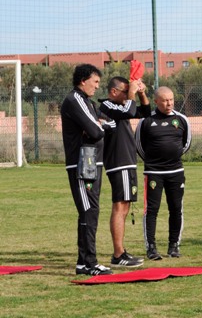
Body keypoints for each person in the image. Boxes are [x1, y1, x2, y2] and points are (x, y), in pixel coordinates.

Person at [61, 64, 112, 275]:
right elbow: (96, 130)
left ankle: (83, 263)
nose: (97, 86)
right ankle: (90, 263)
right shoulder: (75, 100)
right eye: (95, 82)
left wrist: (99, 125)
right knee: (88, 211)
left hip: (92, 163)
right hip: (82, 164)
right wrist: (98, 126)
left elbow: (105, 124)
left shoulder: (87, 102)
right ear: (83, 81)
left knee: (90, 211)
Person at [135, 86, 191, 260]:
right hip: (154, 172)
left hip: (176, 171)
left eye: (171, 100)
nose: (169, 103)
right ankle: (151, 248)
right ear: (156, 101)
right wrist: (153, 162)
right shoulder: (146, 120)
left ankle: (174, 246)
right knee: (151, 210)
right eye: (165, 100)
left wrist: (173, 156)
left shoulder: (181, 119)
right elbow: (139, 146)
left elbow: (186, 144)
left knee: (176, 208)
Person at [99, 76, 150, 268]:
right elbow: (129, 110)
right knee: (120, 207)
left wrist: (142, 93)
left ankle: (120, 252)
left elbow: (145, 112)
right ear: (113, 92)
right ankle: (118, 254)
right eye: (125, 91)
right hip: (118, 162)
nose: (129, 94)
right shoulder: (107, 106)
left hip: (126, 162)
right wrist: (132, 94)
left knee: (125, 207)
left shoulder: (122, 107)